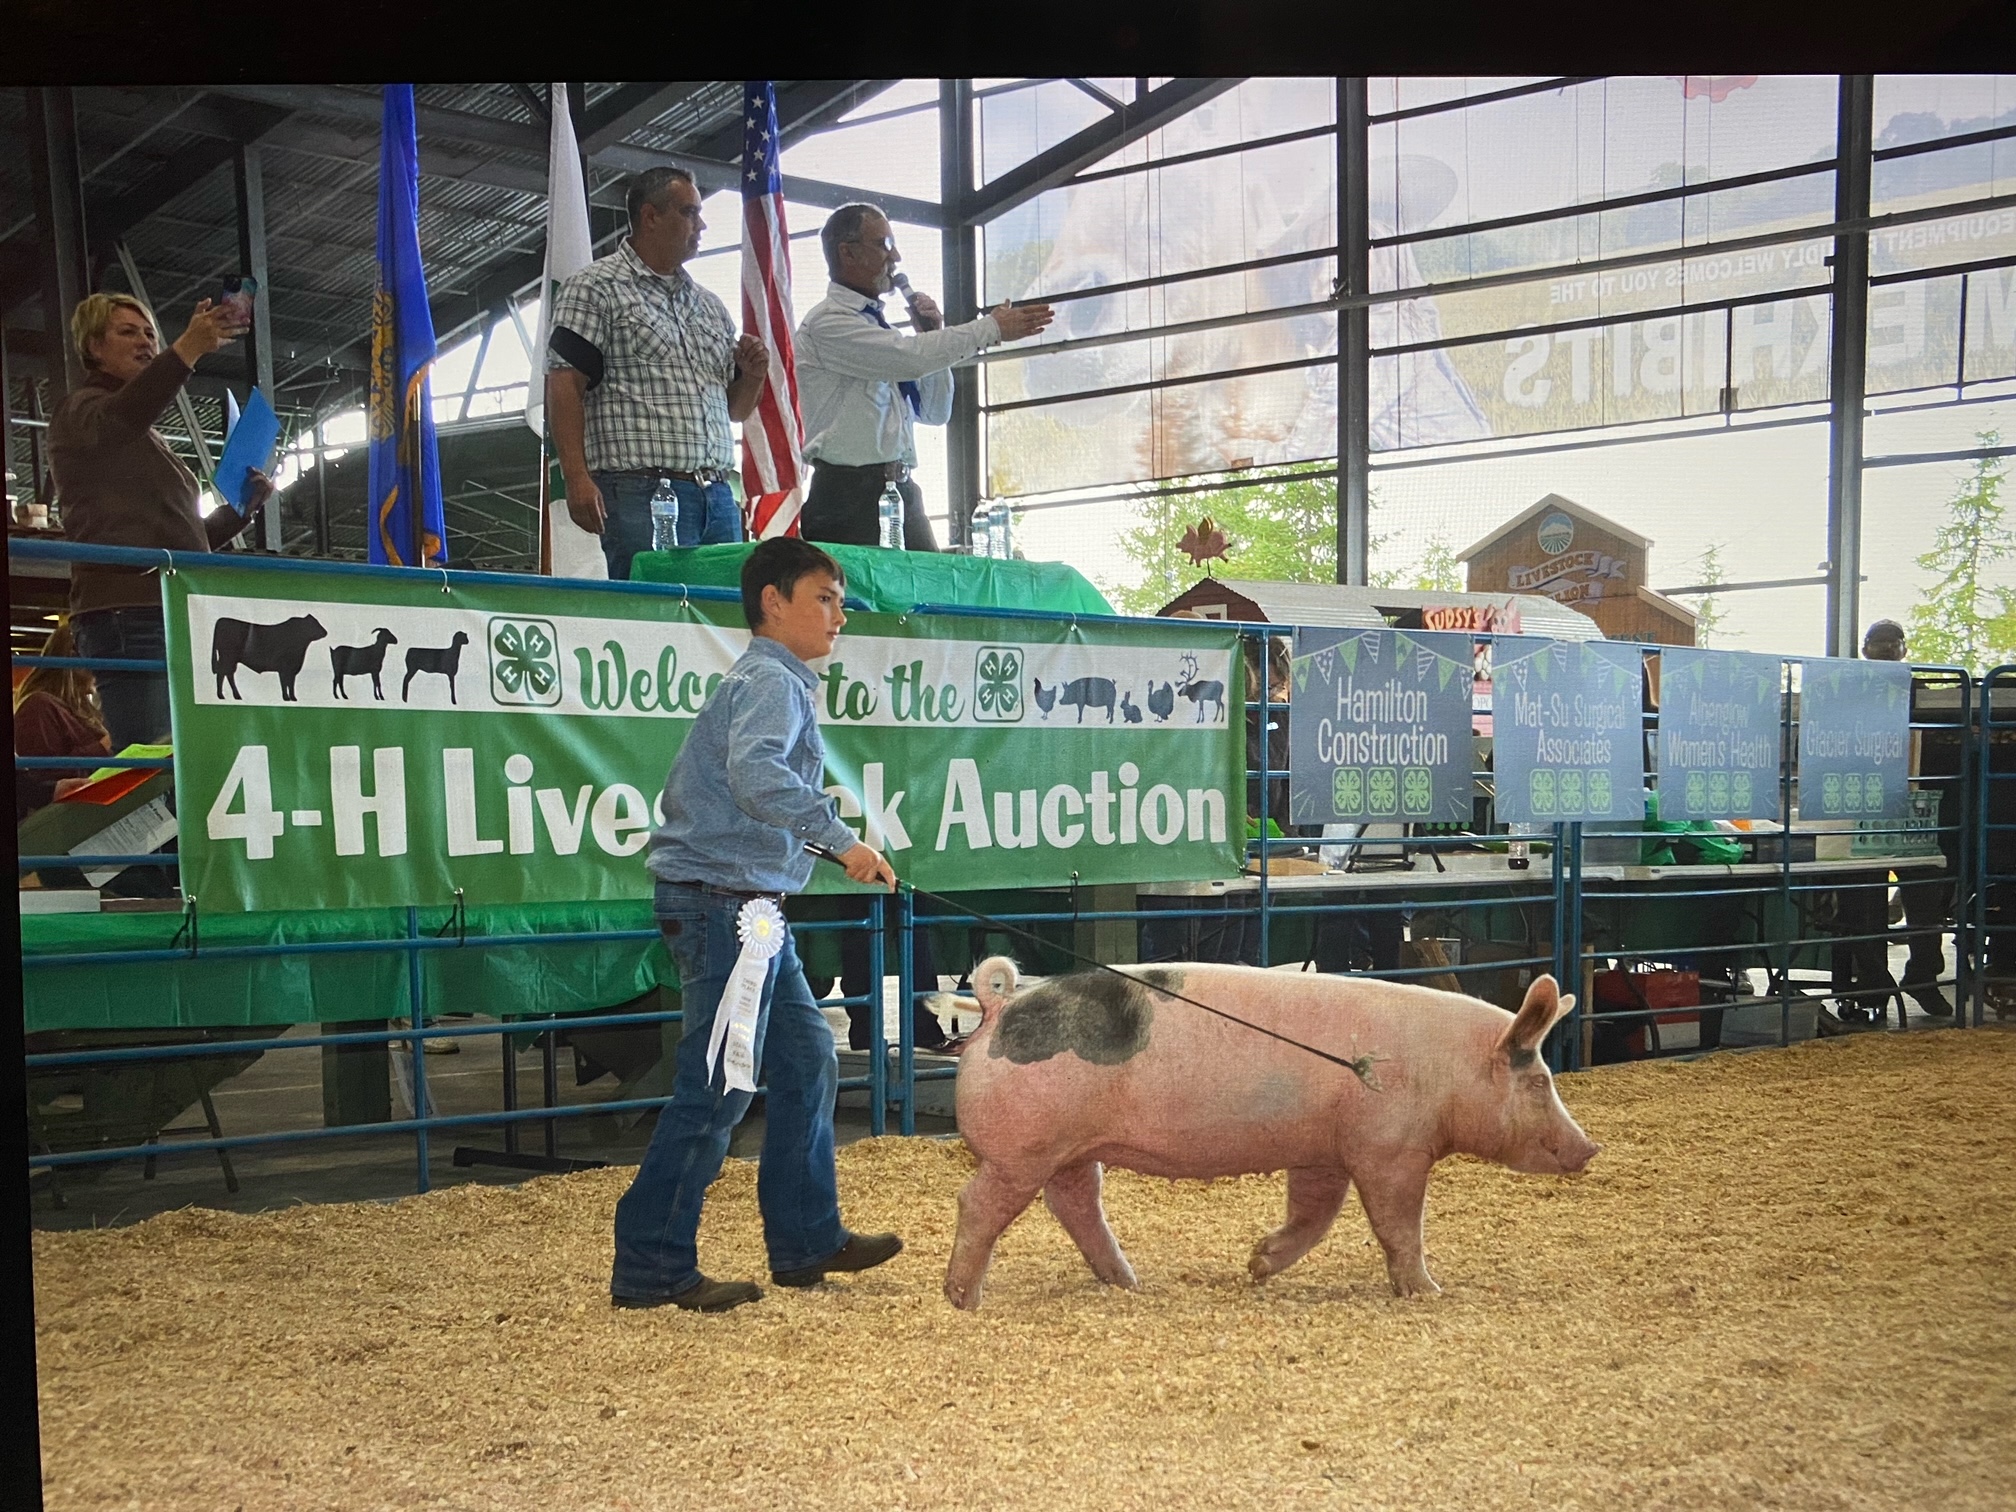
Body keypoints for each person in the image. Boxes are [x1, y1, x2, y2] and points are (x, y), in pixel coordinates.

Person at [613, 537, 902, 1313]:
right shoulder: (772, 680)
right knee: (717, 1086)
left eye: (840, 600)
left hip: (751, 909)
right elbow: (758, 775)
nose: (840, 615)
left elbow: (757, 786)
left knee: (807, 1058)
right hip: (726, 906)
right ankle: (650, 1263)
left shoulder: (775, 680)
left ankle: (806, 1238)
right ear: (773, 602)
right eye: (825, 598)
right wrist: (843, 841)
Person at [47, 292, 271, 750]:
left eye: (150, 333)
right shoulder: (81, 412)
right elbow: (122, 417)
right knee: (151, 755)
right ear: (93, 347)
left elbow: (182, 539)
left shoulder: (144, 437)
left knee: (174, 755)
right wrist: (186, 350)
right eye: (127, 332)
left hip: (163, 604)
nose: (146, 341)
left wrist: (240, 510)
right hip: (130, 609)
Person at [546, 166, 769, 582]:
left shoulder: (709, 306)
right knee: (655, 611)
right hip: (641, 492)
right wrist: (575, 477)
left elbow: (734, 411)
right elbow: (564, 382)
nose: (701, 225)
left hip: (718, 494)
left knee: (722, 613)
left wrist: (753, 376)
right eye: (689, 212)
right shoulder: (595, 287)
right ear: (650, 216)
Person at [795, 202, 1052, 550]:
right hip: (847, 497)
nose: (896, 257)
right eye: (884, 244)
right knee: (860, 588)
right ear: (848, 252)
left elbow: (934, 411)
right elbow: (909, 358)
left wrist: (932, 334)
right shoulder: (828, 323)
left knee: (930, 584)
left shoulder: (879, 329)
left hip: (900, 489)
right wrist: (990, 328)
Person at [1864, 618, 1957, 1018]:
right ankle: (1871, 986)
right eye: (1879, 642)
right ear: (1865, 649)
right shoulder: (1848, 692)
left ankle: (1922, 976)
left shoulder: (1927, 697)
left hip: (1917, 814)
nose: (1887, 648)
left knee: (1925, 901)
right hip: (1865, 811)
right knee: (1863, 903)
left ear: (1904, 649)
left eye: (1894, 642)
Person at [14, 622, 111, 822]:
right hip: (68, 818)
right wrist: (103, 747)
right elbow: (45, 777)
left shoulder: (80, 707)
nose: (103, 670)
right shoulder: (38, 706)